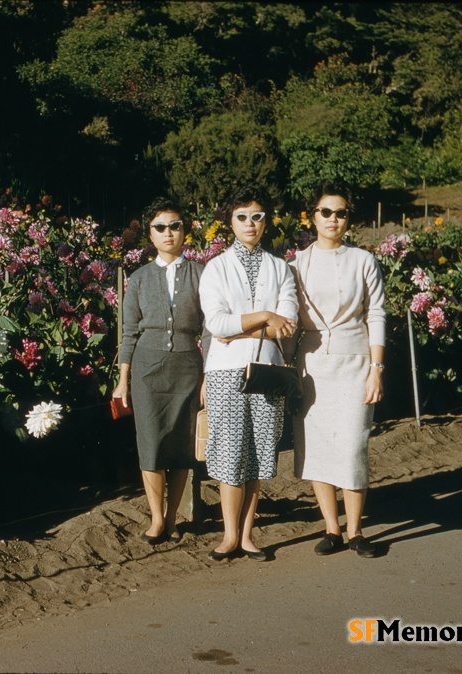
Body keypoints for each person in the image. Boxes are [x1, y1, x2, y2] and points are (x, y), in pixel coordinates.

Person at [198, 184, 298, 562]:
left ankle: (247, 535)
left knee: (257, 453)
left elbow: (286, 324)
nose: (250, 224)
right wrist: (264, 317)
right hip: (226, 372)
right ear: (230, 221)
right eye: (242, 217)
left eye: (257, 216)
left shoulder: (280, 268)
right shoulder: (216, 269)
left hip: (268, 370)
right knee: (229, 453)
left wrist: (257, 324)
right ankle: (227, 536)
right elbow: (217, 324)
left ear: (266, 220)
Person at [289, 181, 386, 558]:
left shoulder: (363, 260)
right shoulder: (295, 264)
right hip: (311, 364)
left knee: (351, 447)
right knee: (318, 447)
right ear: (312, 215)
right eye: (325, 212)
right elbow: (287, 319)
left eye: (341, 212)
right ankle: (331, 529)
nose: (333, 219)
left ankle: (356, 531)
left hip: (356, 361)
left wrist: (376, 368)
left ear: (349, 218)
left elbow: (376, 313)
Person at [113, 197, 207, 545]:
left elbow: (211, 328)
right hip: (147, 368)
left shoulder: (202, 273)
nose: (168, 233)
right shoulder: (138, 279)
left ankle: (172, 518)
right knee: (150, 442)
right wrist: (123, 381)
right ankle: (155, 518)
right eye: (160, 227)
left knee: (181, 445)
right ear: (150, 235)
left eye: (175, 225)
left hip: (187, 365)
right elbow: (129, 333)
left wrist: (207, 375)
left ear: (186, 230)